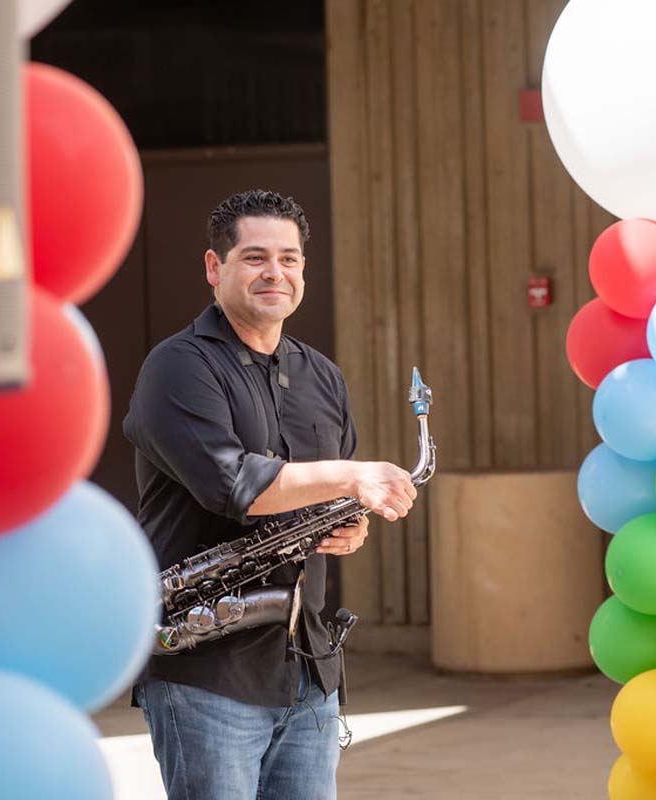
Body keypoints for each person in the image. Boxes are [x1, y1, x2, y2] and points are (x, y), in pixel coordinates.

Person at [123, 189, 417, 800]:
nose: (274, 273)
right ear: (215, 267)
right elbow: (233, 483)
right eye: (255, 257)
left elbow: (331, 498)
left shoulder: (322, 375)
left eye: (289, 259)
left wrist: (350, 524)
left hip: (309, 668)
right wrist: (352, 476)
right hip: (208, 670)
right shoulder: (177, 368)